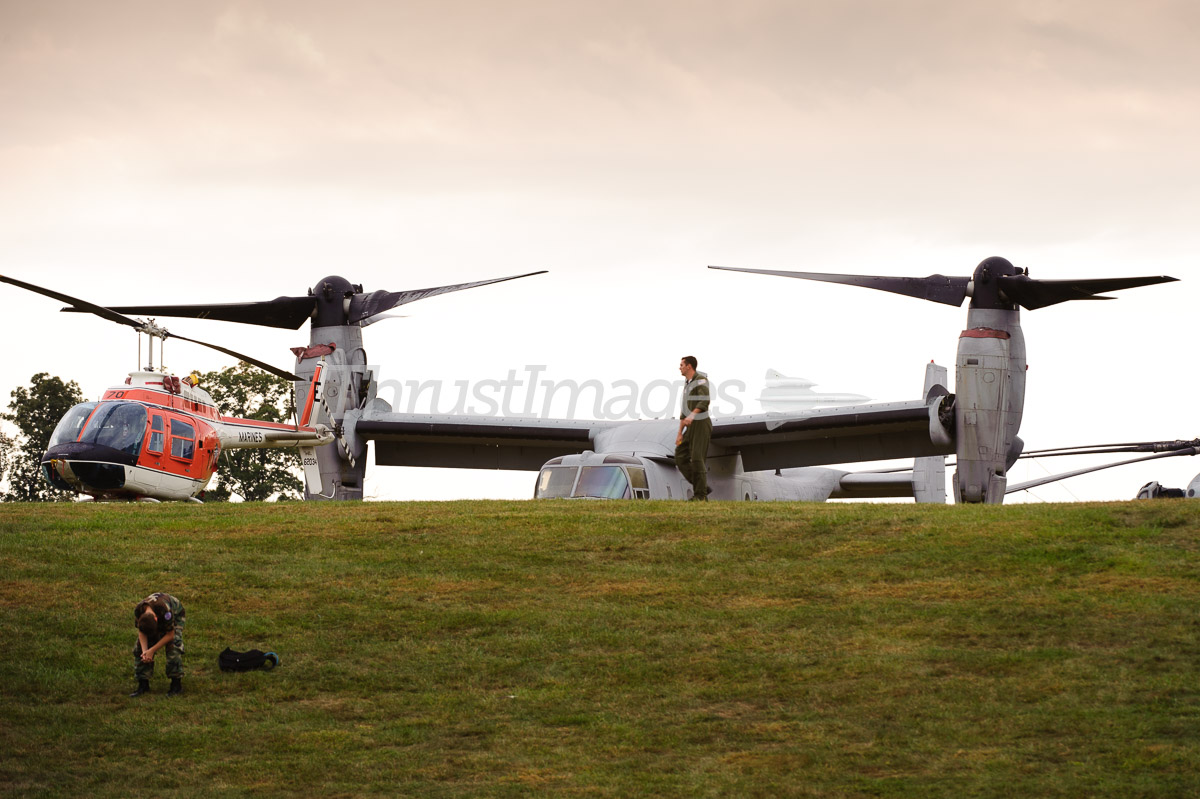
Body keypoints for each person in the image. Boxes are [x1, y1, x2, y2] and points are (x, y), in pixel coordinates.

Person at [130, 592, 186, 697]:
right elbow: (142, 632)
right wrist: (145, 651)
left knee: (173, 647)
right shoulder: (139, 610)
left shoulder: (165, 611)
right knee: (139, 650)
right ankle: (143, 684)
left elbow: (170, 635)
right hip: (155, 618)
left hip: (176, 614)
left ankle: (176, 685)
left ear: (156, 619)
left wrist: (152, 650)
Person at [675, 356, 712, 500]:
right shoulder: (687, 384)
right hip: (690, 427)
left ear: (689, 366)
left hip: (701, 424)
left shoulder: (701, 380)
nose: (680, 367)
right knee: (680, 456)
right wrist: (679, 433)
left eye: (681, 365)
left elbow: (704, 401)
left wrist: (692, 415)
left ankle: (700, 495)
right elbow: (683, 413)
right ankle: (701, 486)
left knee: (697, 459)